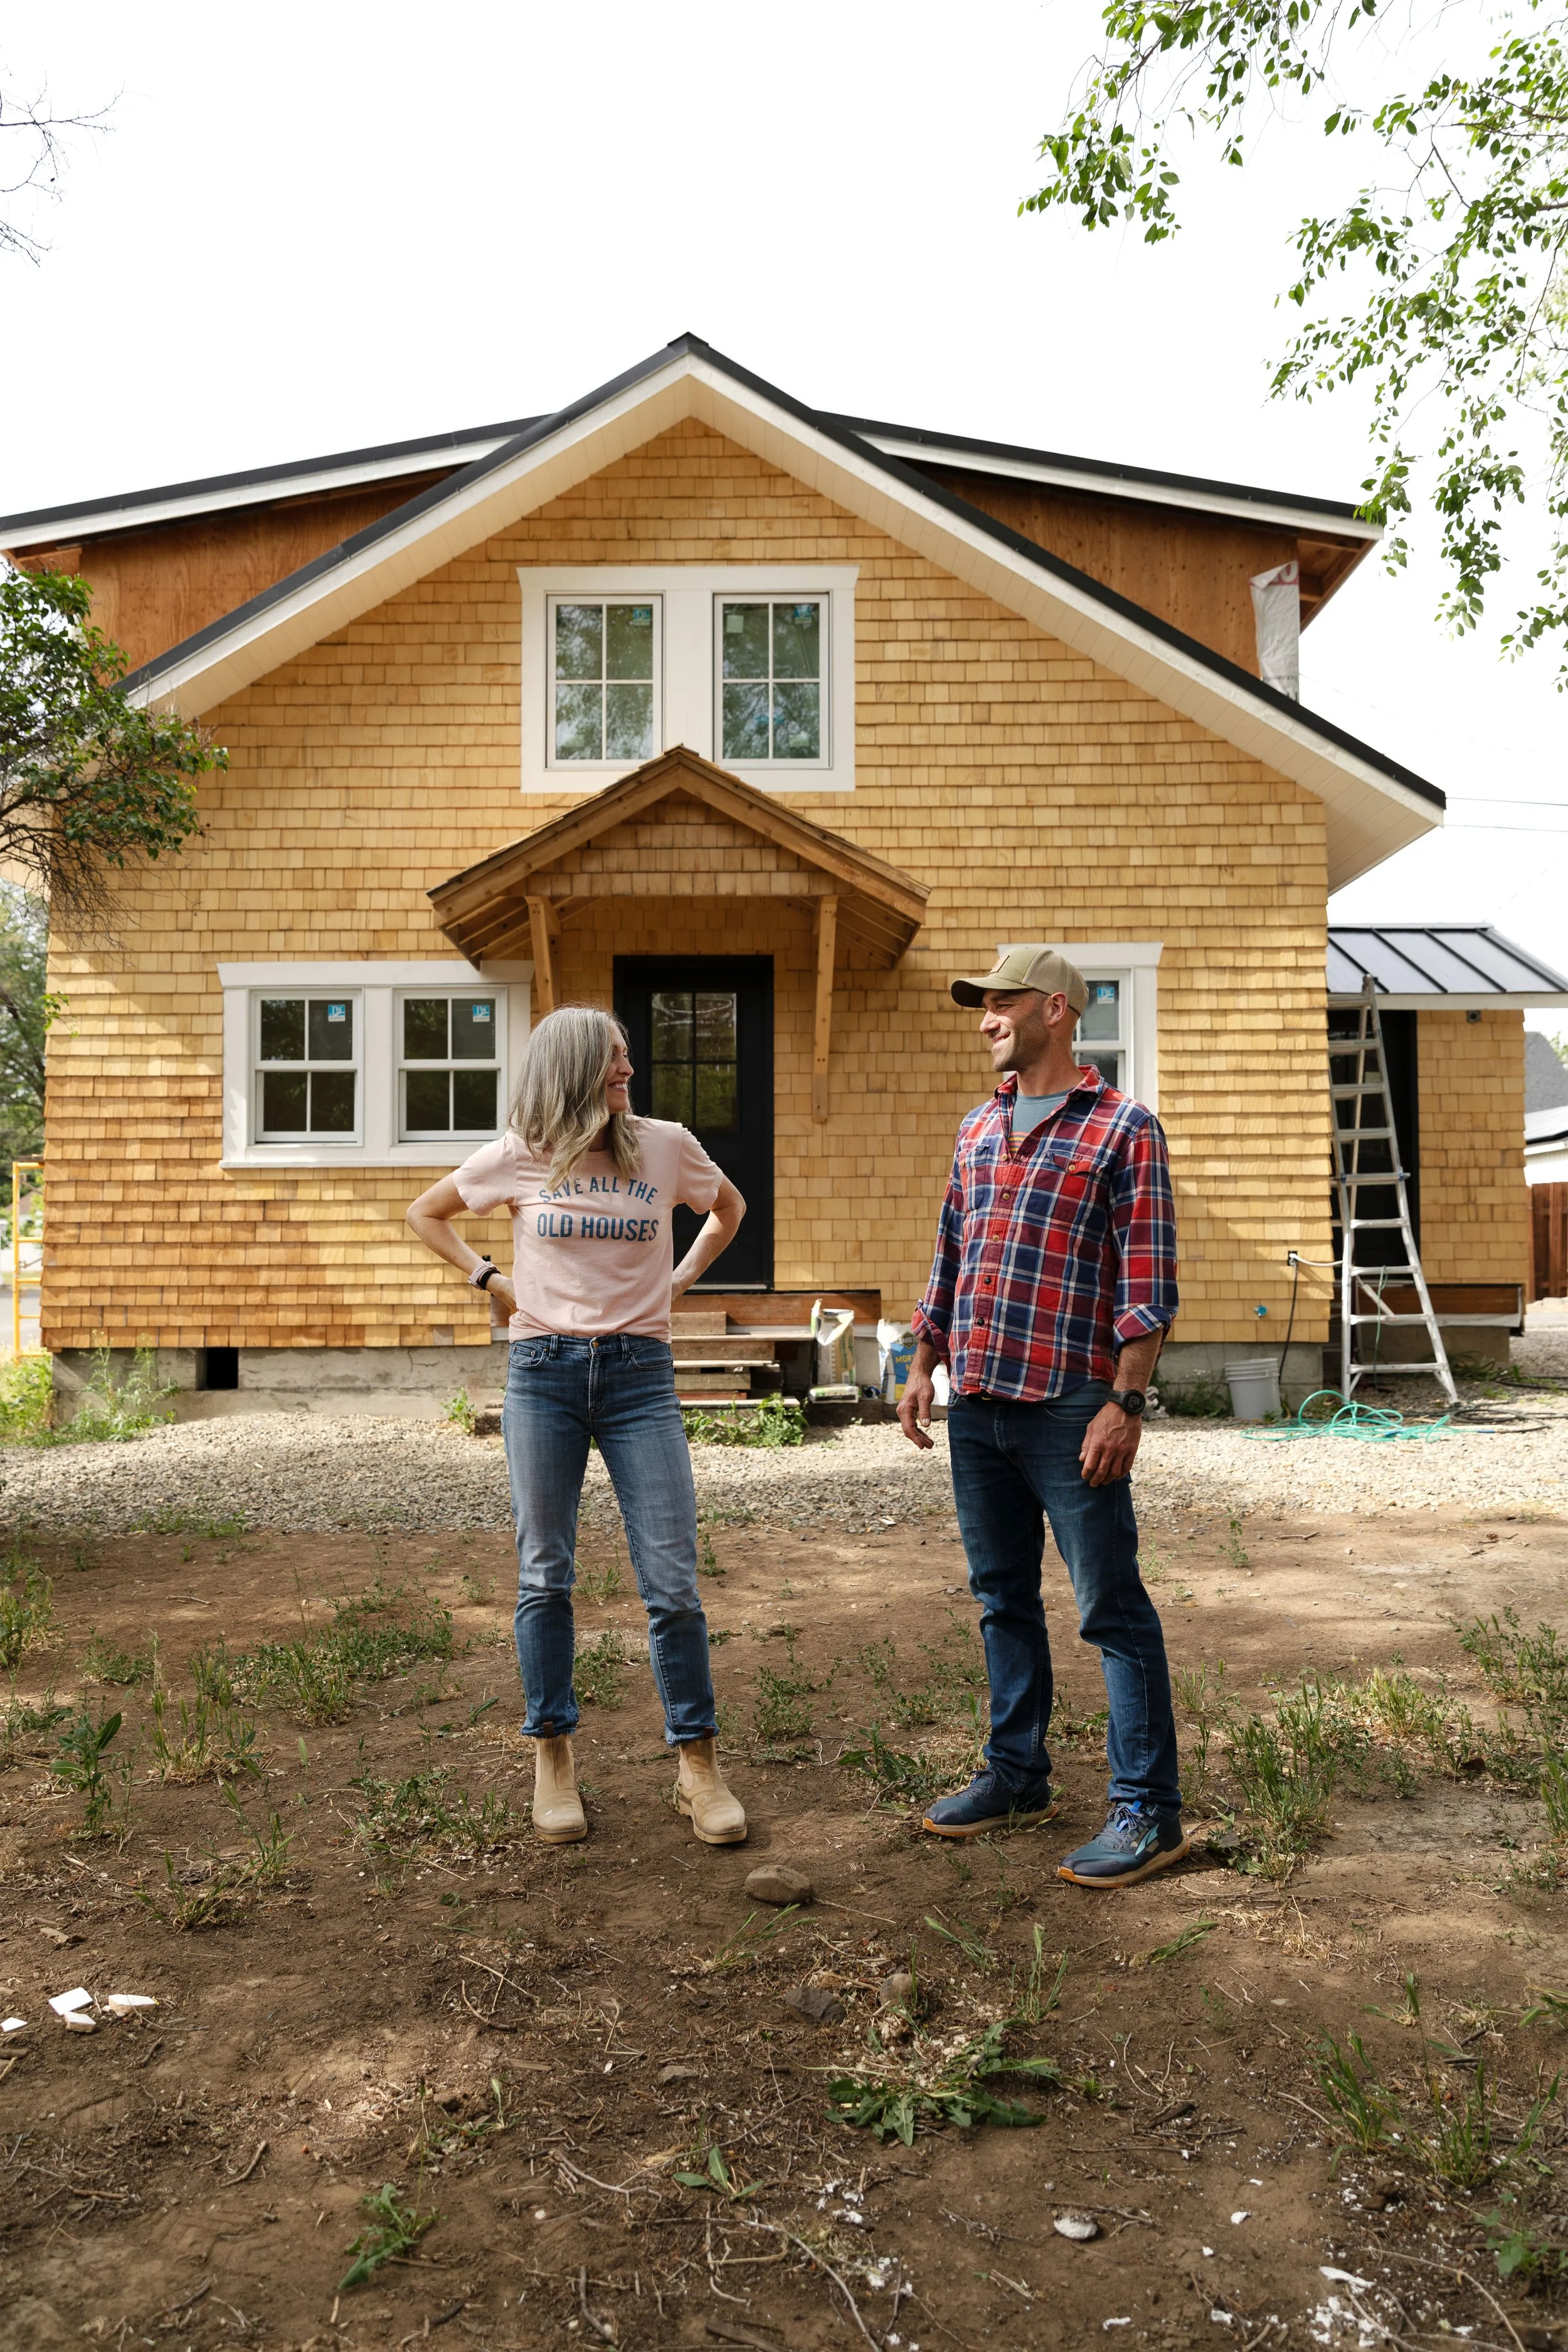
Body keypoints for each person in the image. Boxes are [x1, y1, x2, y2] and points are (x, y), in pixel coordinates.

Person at [406, 1005, 748, 1850]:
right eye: (615, 1058)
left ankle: (697, 1767)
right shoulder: (523, 1151)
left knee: (671, 1577)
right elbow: (428, 1212)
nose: (628, 1070)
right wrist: (493, 1279)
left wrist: (678, 1280)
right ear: (573, 1068)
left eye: (629, 1056)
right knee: (544, 1573)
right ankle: (553, 1757)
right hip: (544, 1377)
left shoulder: (665, 1144)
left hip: (640, 1378)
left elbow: (727, 1207)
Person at [897, 947, 1185, 1887]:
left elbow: (1148, 1281)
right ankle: (1017, 1773)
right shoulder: (978, 1128)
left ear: (1056, 1009)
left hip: (1072, 1406)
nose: (985, 1019)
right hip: (978, 1402)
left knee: (1109, 1606)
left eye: (1001, 1004)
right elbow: (952, 1251)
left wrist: (1124, 1400)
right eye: (979, 1006)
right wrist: (922, 1361)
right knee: (1001, 1598)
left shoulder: (1124, 1130)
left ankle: (1149, 1810)